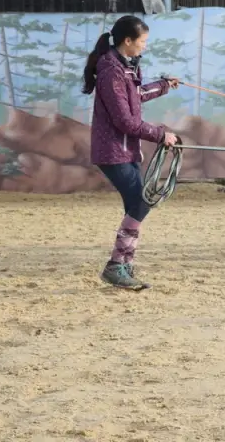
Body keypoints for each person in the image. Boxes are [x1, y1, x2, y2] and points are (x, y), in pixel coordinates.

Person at [81, 14, 179, 290]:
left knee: (136, 205)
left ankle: (124, 265)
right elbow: (124, 120)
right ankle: (115, 266)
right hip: (113, 151)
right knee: (141, 202)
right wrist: (161, 134)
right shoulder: (112, 70)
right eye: (143, 41)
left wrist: (162, 86)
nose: (145, 46)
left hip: (127, 150)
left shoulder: (126, 67)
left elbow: (134, 97)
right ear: (128, 41)